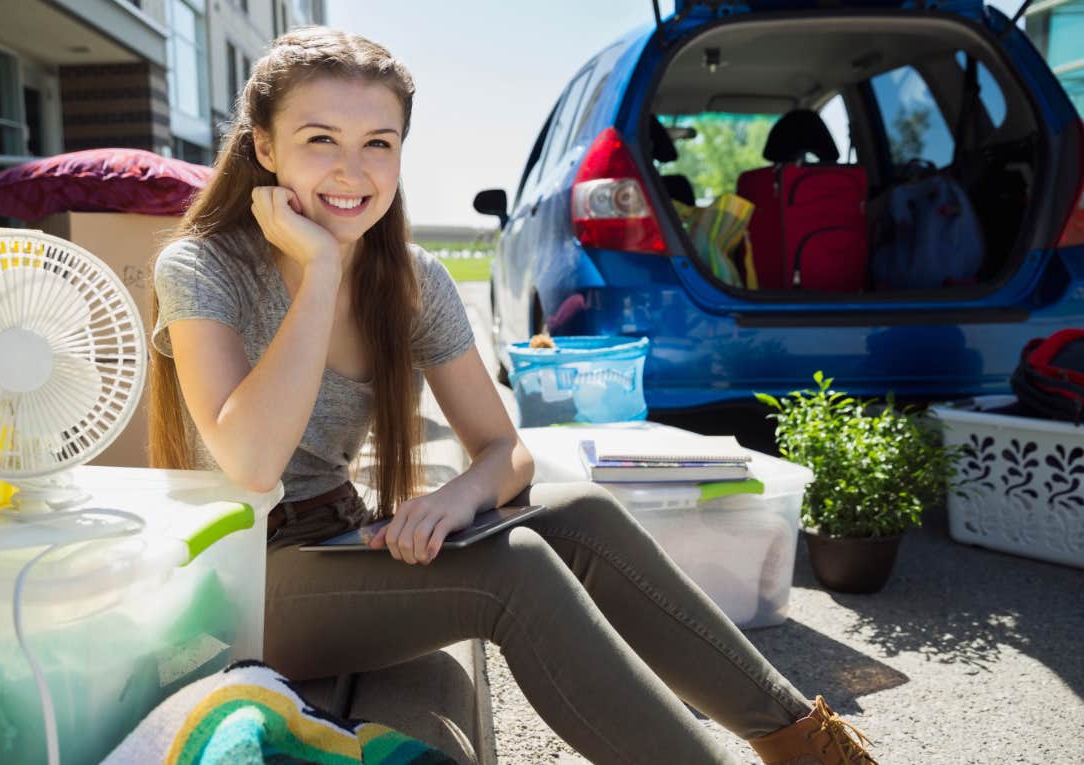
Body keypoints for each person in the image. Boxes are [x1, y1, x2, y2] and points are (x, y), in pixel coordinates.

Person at [147, 26, 878, 765]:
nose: (351, 170)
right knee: (514, 568)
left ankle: (807, 746)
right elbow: (250, 460)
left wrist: (461, 495)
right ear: (265, 150)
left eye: (378, 143)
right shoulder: (202, 266)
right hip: (241, 578)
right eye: (319, 140)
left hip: (341, 540)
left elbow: (506, 453)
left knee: (584, 513)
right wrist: (322, 270)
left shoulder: (410, 277)